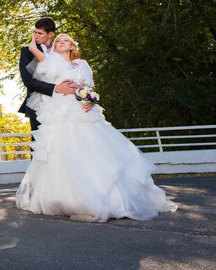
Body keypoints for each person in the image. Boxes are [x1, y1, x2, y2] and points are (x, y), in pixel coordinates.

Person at [15, 33, 177, 222]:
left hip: (82, 109)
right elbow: (33, 49)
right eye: (57, 41)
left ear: (72, 46)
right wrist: (37, 35)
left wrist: (91, 100)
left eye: (64, 40)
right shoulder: (50, 61)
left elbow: (89, 87)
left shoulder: (82, 64)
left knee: (95, 149)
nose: (60, 43)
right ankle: (66, 198)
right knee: (62, 150)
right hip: (61, 110)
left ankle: (110, 198)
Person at [18, 18, 79, 132]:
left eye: (40, 33)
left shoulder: (62, 50)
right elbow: (28, 80)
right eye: (35, 32)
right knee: (39, 143)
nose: (36, 36)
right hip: (38, 105)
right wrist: (55, 88)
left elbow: (75, 75)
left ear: (50, 34)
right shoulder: (28, 52)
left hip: (64, 105)